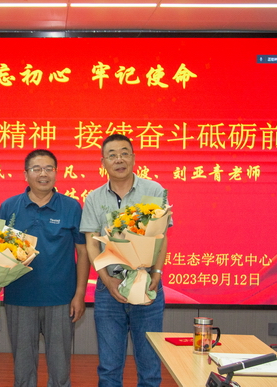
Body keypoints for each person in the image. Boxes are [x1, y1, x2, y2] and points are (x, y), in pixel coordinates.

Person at [79, 134, 169, 387]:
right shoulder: (94, 198)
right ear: (103, 162)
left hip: (147, 283)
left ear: (133, 157)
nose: (119, 159)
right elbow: (91, 244)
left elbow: (161, 237)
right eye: (112, 155)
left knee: (150, 366)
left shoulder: (154, 190)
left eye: (124, 153)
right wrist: (106, 280)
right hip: (109, 288)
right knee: (109, 368)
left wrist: (157, 273)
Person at [0, 149, 89, 387]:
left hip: (61, 299)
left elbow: (83, 252)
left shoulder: (71, 207)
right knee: (23, 369)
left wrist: (79, 294)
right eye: (36, 169)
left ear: (56, 173)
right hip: (19, 297)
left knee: (60, 369)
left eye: (49, 168)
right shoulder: (8, 207)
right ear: (26, 174)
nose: (43, 174)